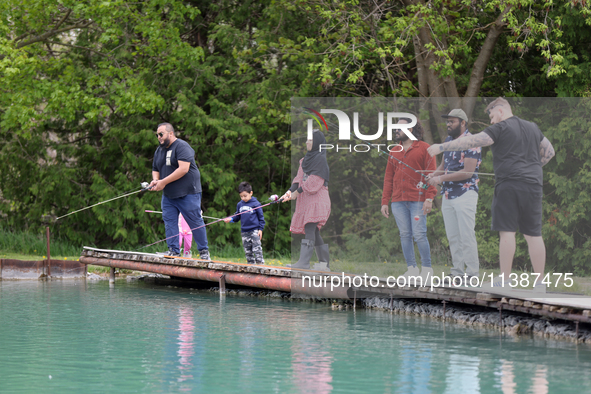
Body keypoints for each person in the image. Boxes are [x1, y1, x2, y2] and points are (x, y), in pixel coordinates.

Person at [427, 98, 555, 291]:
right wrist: (532, 166)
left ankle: (504, 281)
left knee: (507, 232)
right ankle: (540, 284)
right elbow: (549, 152)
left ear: (501, 111)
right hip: (533, 185)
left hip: (508, 185)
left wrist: (442, 147)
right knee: (534, 234)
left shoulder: (500, 128)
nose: (492, 121)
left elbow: (473, 140)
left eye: (492, 116)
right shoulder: (532, 127)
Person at [426, 109, 481, 283]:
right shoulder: (448, 141)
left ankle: (472, 274)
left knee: (466, 235)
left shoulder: (472, 141)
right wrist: (433, 175)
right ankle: (457, 272)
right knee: (453, 237)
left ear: (463, 123)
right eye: (447, 121)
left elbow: (467, 172)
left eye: (452, 121)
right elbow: (443, 165)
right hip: (448, 194)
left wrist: (440, 178)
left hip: (466, 193)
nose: (448, 124)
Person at [381, 117, 437, 281]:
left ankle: (427, 269)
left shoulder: (425, 149)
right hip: (398, 201)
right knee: (405, 234)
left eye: (399, 128)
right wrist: (385, 201)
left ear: (410, 130)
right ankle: (411, 269)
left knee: (419, 234)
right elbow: (388, 178)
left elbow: (431, 175)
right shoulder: (394, 151)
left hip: (418, 200)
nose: (396, 130)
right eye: (395, 128)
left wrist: (429, 198)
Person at [149, 122, 210, 260]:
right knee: (169, 221)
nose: (159, 137)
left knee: (195, 221)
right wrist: (155, 180)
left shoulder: (182, 146)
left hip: (188, 192)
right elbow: (155, 169)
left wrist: (163, 182)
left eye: (161, 134)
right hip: (169, 195)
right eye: (157, 135)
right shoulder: (159, 150)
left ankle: (204, 252)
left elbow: (183, 169)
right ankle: (173, 250)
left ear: (171, 133)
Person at [280, 129, 331, 270]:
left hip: (318, 200)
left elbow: (315, 182)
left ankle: (304, 263)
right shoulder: (304, 160)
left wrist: (298, 192)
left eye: (310, 140)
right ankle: (323, 264)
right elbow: (298, 179)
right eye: (307, 140)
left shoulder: (320, 160)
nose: (307, 142)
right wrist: (289, 192)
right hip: (307, 200)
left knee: (310, 227)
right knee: (313, 231)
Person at [223, 181, 266, 264]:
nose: (243, 198)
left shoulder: (256, 204)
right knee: (248, 251)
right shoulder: (240, 204)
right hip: (244, 231)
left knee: (257, 250)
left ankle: (261, 266)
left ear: (251, 193)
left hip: (254, 231)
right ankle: (251, 267)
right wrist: (230, 219)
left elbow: (261, 218)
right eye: (241, 196)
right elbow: (237, 216)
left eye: (245, 196)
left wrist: (260, 229)